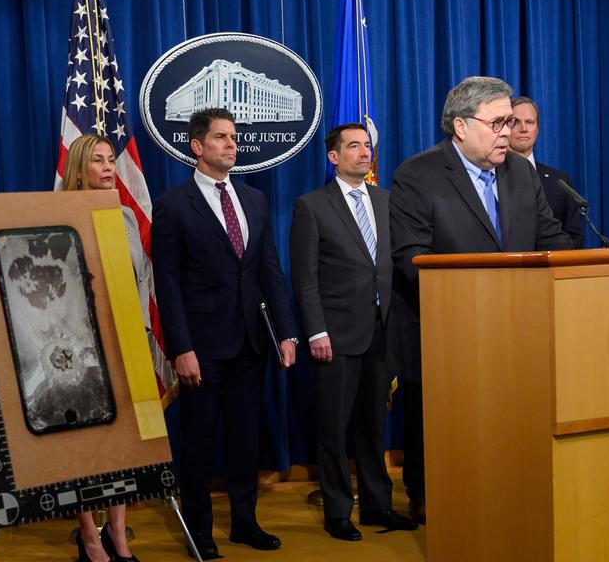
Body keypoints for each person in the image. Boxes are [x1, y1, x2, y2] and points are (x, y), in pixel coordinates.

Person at [389, 76, 572, 525]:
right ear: (460, 126)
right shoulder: (418, 174)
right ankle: (427, 493)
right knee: (438, 429)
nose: (507, 132)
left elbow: (550, 238)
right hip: (445, 334)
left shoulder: (520, 173)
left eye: (510, 121)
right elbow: (410, 257)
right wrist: (481, 299)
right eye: (497, 123)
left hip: (517, 332)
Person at [152, 108, 299, 559]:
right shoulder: (174, 205)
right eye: (221, 137)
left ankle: (245, 523)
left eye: (234, 137)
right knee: (198, 444)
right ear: (197, 147)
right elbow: (168, 284)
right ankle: (200, 532)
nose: (231, 144)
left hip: (251, 343)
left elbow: (269, 270)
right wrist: (182, 348)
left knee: (244, 439)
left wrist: (287, 332)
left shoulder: (253, 199)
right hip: (202, 347)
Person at [289, 124, 417, 542]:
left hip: (380, 334)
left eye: (368, 146)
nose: (365, 154)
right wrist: (316, 332)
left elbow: (393, 269)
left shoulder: (385, 200)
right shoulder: (311, 206)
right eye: (355, 147)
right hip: (336, 336)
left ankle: (378, 506)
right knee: (334, 427)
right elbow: (305, 279)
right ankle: (338, 511)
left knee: (373, 427)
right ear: (333, 157)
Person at [61, 133, 147, 562]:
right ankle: (89, 537)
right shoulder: (60, 217)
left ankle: (118, 533)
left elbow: (140, 279)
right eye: (98, 160)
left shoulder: (127, 217)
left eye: (111, 158)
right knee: (86, 444)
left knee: (123, 443)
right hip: (79, 347)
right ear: (79, 169)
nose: (109, 166)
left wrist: (144, 333)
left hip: (126, 341)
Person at [509, 95, 584, 248]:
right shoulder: (491, 176)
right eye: (515, 122)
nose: (523, 128)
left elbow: (574, 236)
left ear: (537, 130)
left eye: (529, 122)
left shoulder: (560, 182)